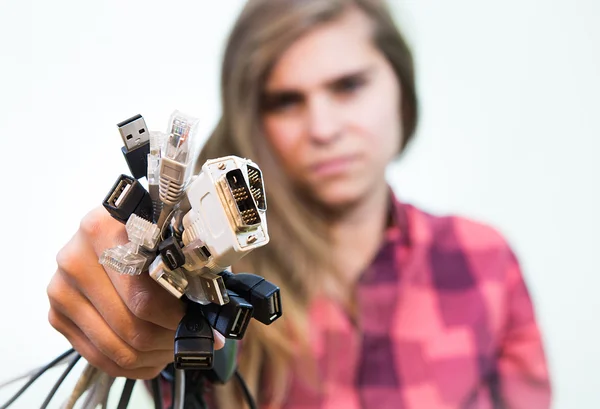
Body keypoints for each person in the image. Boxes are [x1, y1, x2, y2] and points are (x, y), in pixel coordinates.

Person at [47, 0, 551, 408]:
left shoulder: (483, 261)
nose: (324, 129)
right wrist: (128, 293)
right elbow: (151, 330)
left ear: (401, 88)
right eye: (286, 101)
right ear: (252, 120)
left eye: (349, 85)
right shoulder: (215, 287)